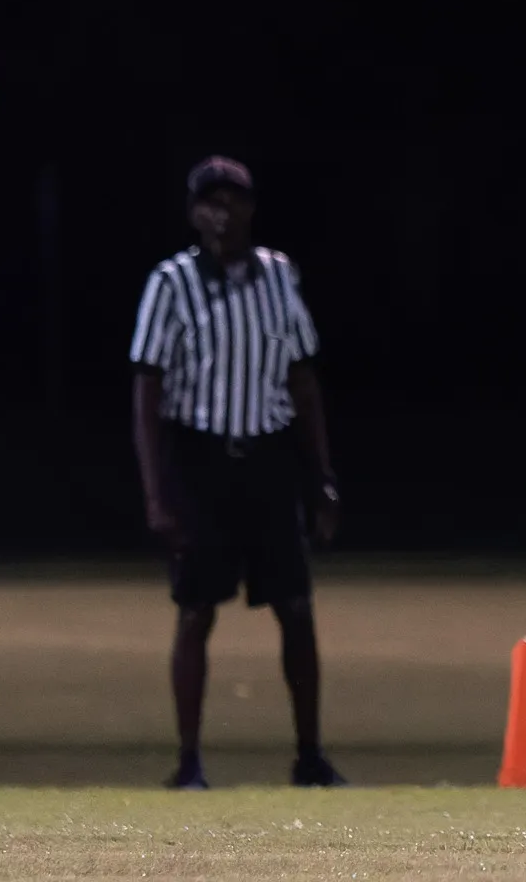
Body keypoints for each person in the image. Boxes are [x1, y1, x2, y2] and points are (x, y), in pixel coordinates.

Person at [129, 156, 345, 790]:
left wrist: (321, 476)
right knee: (196, 609)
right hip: (200, 461)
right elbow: (146, 391)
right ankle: (189, 761)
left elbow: (302, 381)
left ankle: (309, 756)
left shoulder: (278, 276)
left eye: (233, 201)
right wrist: (157, 493)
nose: (221, 213)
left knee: (296, 608)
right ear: (194, 212)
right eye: (209, 202)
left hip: (270, 458)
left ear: (250, 209)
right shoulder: (171, 283)